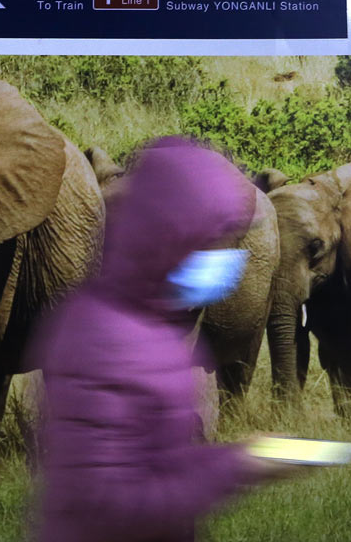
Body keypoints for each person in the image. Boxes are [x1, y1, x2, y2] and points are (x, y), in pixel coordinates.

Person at [29, 136, 306, 542]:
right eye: (209, 240)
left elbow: (157, 463)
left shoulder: (150, 323)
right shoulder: (104, 336)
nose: (224, 256)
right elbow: (108, 501)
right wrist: (240, 465)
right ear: (171, 237)